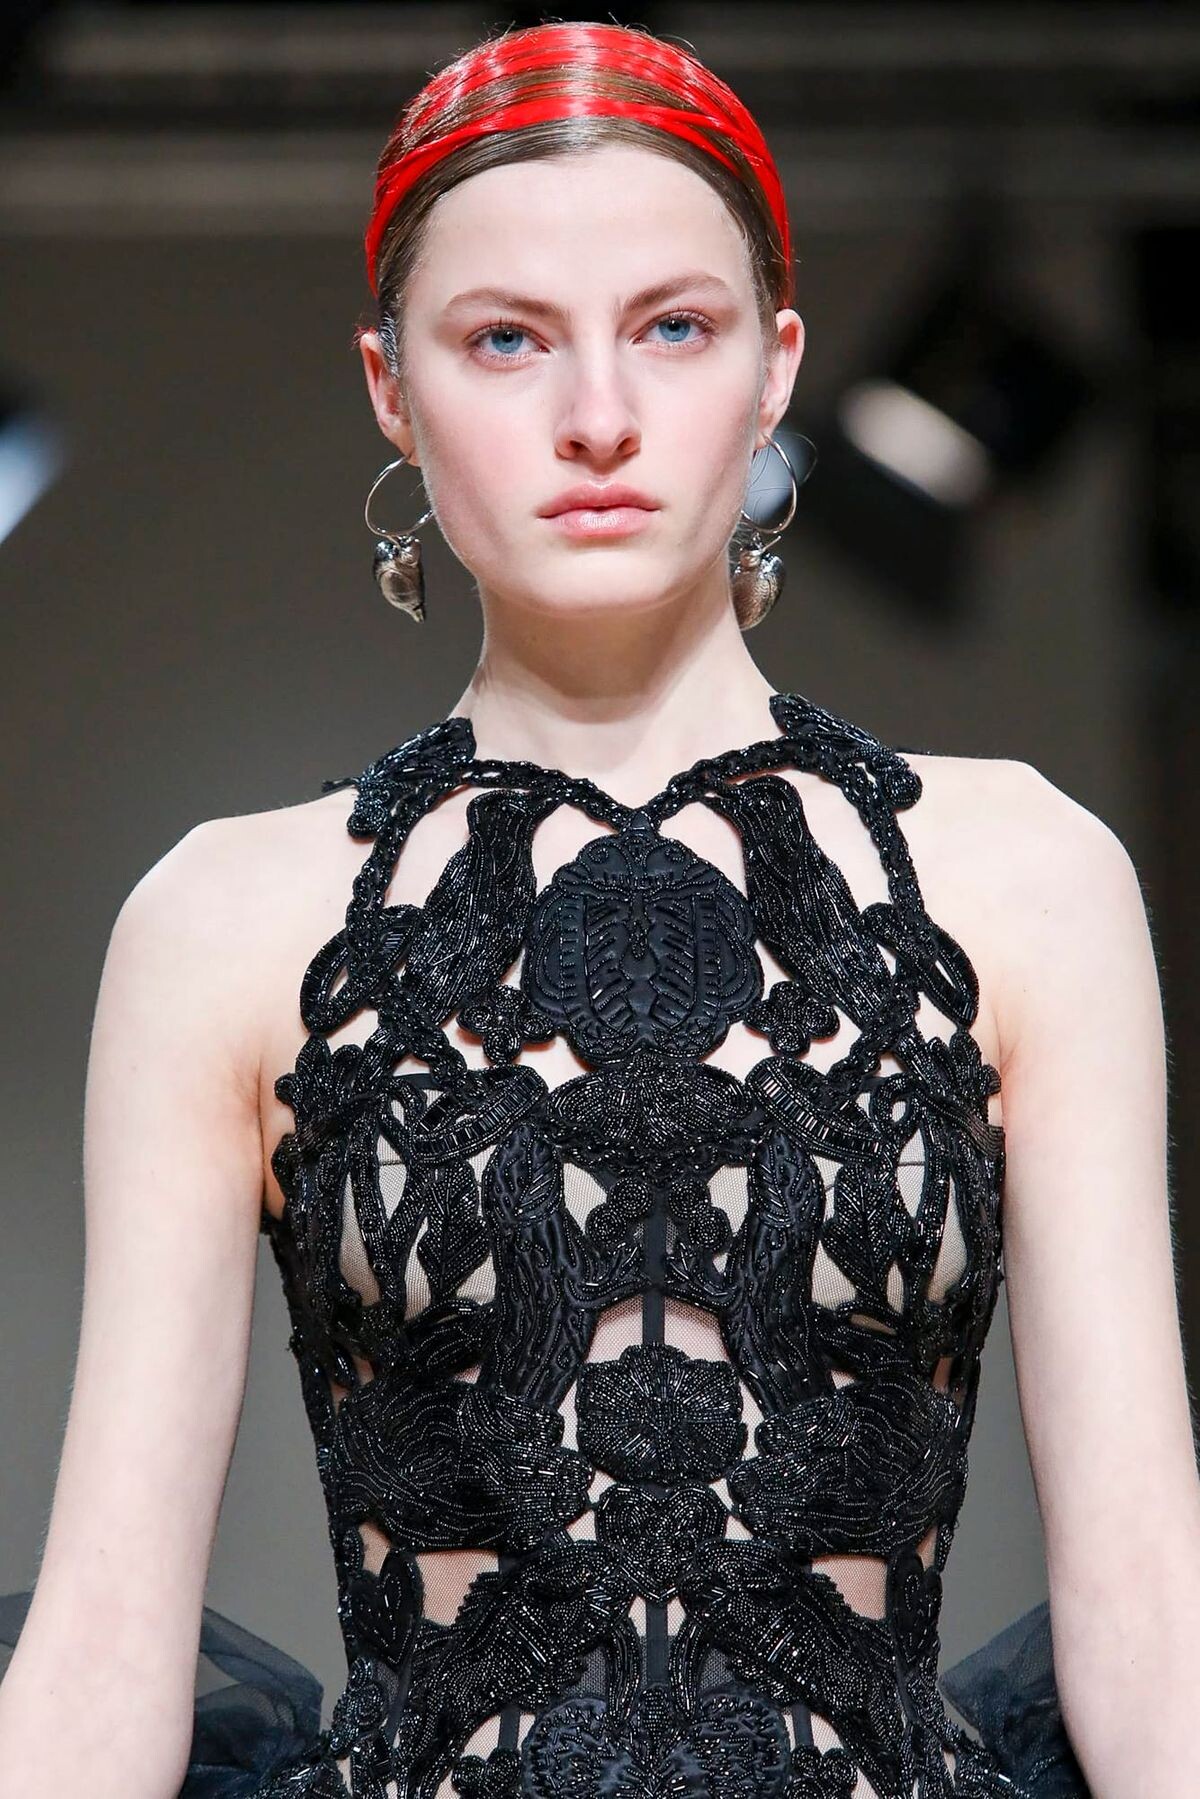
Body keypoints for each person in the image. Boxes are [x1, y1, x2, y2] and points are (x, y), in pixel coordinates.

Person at [0, 18, 1195, 1799]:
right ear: (391, 387)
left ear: (778, 364)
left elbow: (1148, 1606)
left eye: (675, 328)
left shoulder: (1025, 879)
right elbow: (107, 1632)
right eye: (505, 340)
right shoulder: (224, 924)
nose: (598, 419)